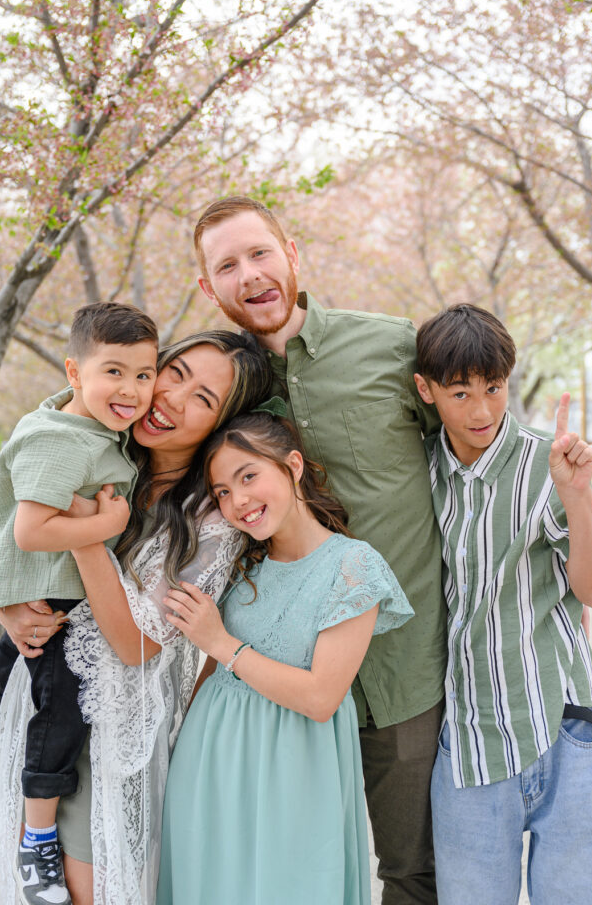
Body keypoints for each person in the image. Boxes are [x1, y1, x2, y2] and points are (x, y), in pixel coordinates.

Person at [194, 195, 446, 904]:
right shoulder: (226, 389)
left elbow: (480, 446)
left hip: (402, 674)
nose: (249, 275)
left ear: (292, 254)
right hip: (283, 689)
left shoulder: (392, 346)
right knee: (286, 874)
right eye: (227, 266)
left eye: (259, 253)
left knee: (412, 872)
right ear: (208, 288)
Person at [0, 330, 272, 905]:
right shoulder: (91, 444)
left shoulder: (210, 517)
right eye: (175, 372)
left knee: (87, 887)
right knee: (23, 880)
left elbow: (137, 646)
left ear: (219, 425)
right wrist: (8, 602)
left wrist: (88, 537)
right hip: (40, 698)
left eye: (204, 399)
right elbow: (17, 513)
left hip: (113, 731)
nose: (171, 398)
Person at [413, 303, 592, 905]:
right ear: (425, 390)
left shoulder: (548, 461)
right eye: (460, 392)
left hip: (565, 729)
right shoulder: (419, 471)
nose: (481, 410)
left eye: (494, 388)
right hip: (469, 740)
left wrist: (577, 498)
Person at [157, 411, 414, 905]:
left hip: (296, 768)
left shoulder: (353, 566)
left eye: (248, 476)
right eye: (223, 492)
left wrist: (221, 642)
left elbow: (321, 697)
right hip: (211, 759)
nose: (239, 502)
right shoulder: (240, 559)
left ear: (293, 465)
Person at [0, 301, 159, 905]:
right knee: (63, 714)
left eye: (143, 373)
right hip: (51, 584)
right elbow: (30, 533)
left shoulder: (90, 426)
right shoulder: (61, 442)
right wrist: (106, 524)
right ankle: (38, 836)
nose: (131, 389)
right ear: (74, 373)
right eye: (114, 372)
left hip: (51, 585)